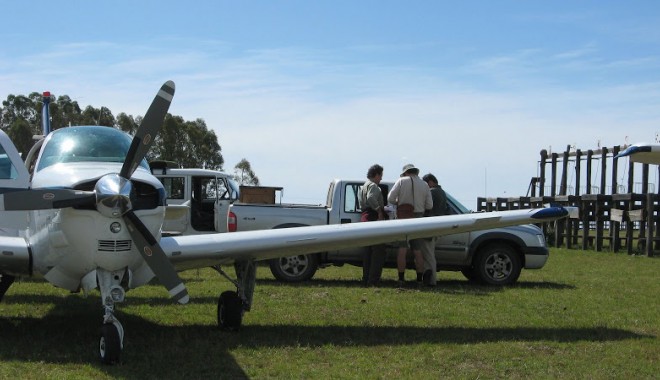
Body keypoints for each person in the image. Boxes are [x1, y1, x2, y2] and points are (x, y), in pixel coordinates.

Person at [387, 164, 432, 287]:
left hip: (404, 217)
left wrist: (399, 202)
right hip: (418, 218)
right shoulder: (424, 184)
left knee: (402, 249)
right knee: (418, 251)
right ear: (416, 172)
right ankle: (419, 280)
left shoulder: (401, 181)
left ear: (406, 172)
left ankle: (401, 279)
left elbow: (390, 198)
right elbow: (429, 206)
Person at [359, 164, 387, 286]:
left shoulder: (364, 186)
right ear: (376, 174)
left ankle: (366, 278)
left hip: (365, 218)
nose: (381, 178)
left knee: (368, 252)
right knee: (378, 252)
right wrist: (379, 210)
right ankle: (373, 280)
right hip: (373, 218)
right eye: (380, 175)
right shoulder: (374, 186)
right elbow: (371, 198)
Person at [421, 173, 449, 286]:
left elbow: (427, 207)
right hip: (438, 226)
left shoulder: (432, 192)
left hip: (430, 226)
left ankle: (431, 280)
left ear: (430, 182)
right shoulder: (442, 192)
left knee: (428, 255)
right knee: (430, 253)